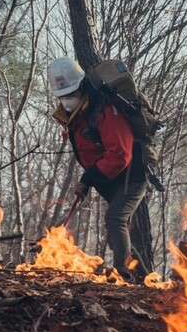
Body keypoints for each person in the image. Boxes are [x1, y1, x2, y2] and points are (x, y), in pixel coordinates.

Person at [47, 57, 147, 281]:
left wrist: (89, 177)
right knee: (116, 227)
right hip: (111, 178)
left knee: (115, 219)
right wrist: (88, 181)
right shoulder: (78, 116)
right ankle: (142, 279)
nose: (67, 100)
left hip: (133, 174)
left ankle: (123, 275)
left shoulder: (105, 110)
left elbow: (120, 154)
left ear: (82, 86)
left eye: (70, 93)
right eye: (62, 96)